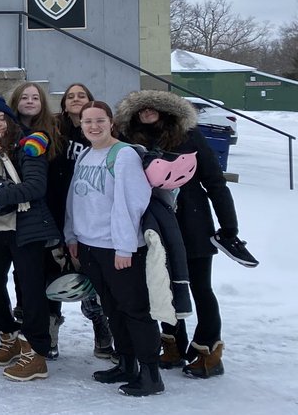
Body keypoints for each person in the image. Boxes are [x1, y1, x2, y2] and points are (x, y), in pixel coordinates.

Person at [115, 90, 241, 379]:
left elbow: (215, 182)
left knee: (200, 287)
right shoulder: (130, 142)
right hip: (155, 224)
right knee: (162, 285)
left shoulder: (188, 136)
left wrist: (229, 227)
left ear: (166, 110)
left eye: (152, 107)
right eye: (141, 109)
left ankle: (209, 351)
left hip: (193, 223)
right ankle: (172, 343)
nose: (147, 112)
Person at [64, 101, 159, 397]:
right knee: (112, 309)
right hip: (90, 245)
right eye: (87, 121)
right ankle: (126, 364)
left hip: (118, 248)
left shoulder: (124, 154)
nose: (93, 126)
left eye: (99, 120)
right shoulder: (86, 154)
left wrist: (124, 247)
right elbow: (75, 199)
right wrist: (72, 235)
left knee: (134, 310)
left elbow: (131, 204)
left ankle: (151, 374)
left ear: (111, 122)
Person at [0, 97, 60, 382]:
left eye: (1, 119)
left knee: (31, 290)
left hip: (25, 225)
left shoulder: (28, 146)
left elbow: (35, 187)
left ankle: (37, 352)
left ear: (11, 119)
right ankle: (9, 335)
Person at [47, 82, 114, 360]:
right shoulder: (53, 129)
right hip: (55, 209)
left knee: (91, 274)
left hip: (89, 213)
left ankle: (101, 327)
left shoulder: (97, 131)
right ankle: (50, 331)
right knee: (53, 272)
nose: (76, 99)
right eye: (70, 96)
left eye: (82, 95)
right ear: (63, 104)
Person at [9, 81, 66, 357]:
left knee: (49, 271)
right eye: (24, 97)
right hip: (17, 212)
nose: (30, 101)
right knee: (24, 275)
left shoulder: (53, 131)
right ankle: (25, 324)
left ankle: (49, 329)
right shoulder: (8, 131)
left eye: (35, 97)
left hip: (49, 209)